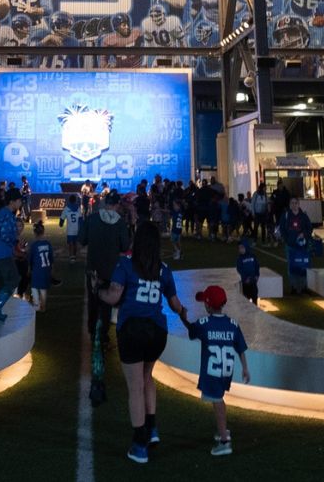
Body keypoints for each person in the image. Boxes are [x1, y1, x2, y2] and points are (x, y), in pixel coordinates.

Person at [99, 220, 188, 464]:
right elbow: (174, 303)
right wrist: (183, 313)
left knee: (135, 385)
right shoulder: (163, 269)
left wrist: (98, 290)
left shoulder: (126, 264)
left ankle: (139, 444)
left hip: (133, 330)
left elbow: (114, 295)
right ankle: (152, 428)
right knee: (147, 376)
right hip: (157, 331)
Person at [186, 284, 248, 456]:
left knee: (218, 402)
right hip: (225, 372)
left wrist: (183, 317)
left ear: (207, 305)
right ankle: (223, 431)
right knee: (218, 400)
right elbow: (241, 347)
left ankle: (224, 440)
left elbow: (191, 332)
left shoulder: (204, 324)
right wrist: (245, 368)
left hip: (211, 373)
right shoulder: (232, 324)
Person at [84, 191, 130, 348]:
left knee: (93, 301)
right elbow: (125, 246)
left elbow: (82, 240)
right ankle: (103, 336)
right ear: (117, 205)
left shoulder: (92, 218)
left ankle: (92, 332)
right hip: (111, 270)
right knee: (107, 304)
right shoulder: (120, 222)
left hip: (93, 268)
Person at [0, 190, 24, 320]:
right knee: (13, 280)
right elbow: (5, 234)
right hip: (2, 254)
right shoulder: (8, 215)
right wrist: (15, 240)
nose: (21, 203)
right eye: (19, 201)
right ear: (12, 201)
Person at [30, 219, 55, 310]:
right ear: (43, 232)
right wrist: (51, 268)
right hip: (46, 270)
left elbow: (31, 259)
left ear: (34, 233)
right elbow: (51, 258)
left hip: (37, 270)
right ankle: (43, 306)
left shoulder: (34, 245)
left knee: (34, 287)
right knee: (43, 289)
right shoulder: (48, 244)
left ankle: (36, 305)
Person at [235, 238, 261, 304]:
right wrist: (245, 278)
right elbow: (240, 269)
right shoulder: (239, 259)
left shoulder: (252, 256)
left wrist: (257, 275)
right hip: (246, 282)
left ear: (246, 247)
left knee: (254, 296)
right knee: (246, 298)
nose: (240, 250)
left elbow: (257, 266)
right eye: (239, 248)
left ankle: (255, 309)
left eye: (242, 248)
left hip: (253, 281)